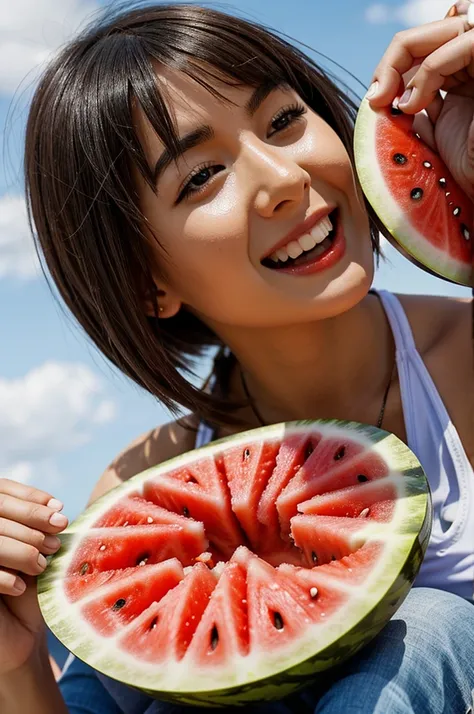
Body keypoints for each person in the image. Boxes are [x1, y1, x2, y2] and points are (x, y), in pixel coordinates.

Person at [0, 2, 473, 712]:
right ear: (144, 281)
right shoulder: (142, 485)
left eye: (284, 121)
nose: (283, 178)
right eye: (200, 176)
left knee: (433, 629)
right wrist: (15, 663)